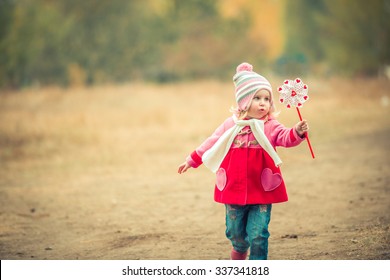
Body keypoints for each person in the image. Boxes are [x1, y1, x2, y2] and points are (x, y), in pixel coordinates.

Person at [177, 62, 309, 260]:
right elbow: (211, 142)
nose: (263, 103)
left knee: (259, 233)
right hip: (233, 187)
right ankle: (239, 250)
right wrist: (193, 159)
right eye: (257, 98)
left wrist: (296, 132)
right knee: (234, 231)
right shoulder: (231, 124)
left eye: (266, 99)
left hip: (261, 188)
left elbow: (284, 137)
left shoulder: (270, 126)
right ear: (244, 101)